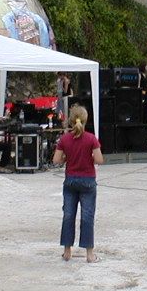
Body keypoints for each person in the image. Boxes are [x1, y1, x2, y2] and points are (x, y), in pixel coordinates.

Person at [53, 104, 104, 263]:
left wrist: (66, 158)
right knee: (87, 216)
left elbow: (56, 160)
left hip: (70, 180)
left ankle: (67, 251)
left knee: (68, 215)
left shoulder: (65, 139)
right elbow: (99, 159)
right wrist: (89, 157)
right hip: (88, 180)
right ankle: (89, 254)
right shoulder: (91, 138)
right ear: (85, 120)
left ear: (70, 120)